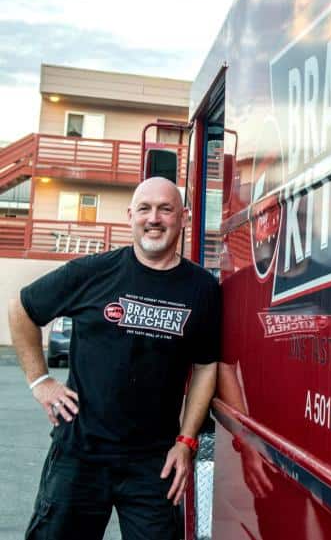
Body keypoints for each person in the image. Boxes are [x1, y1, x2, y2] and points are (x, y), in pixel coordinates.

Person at [8, 177, 220, 540]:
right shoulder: (93, 272)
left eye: (165, 209)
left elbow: (205, 365)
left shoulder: (201, 288)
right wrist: (40, 381)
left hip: (153, 463)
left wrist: (186, 442)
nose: (154, 218)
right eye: (144, 209)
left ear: (183, 217)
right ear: (130, 217)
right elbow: (21, 309)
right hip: (80, 454)